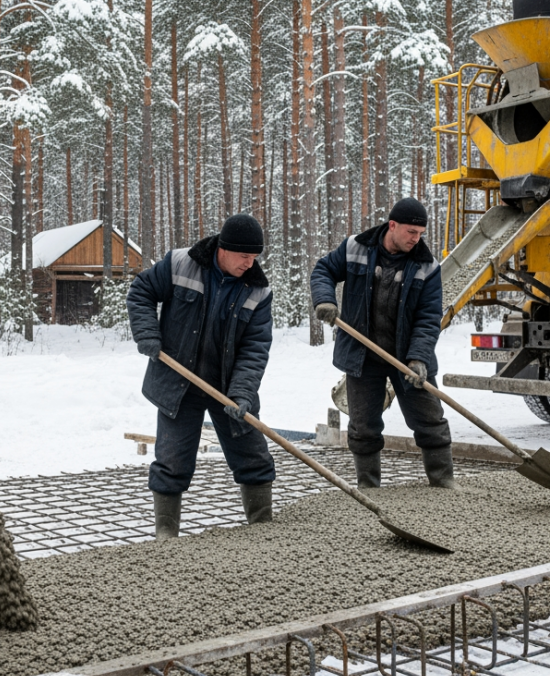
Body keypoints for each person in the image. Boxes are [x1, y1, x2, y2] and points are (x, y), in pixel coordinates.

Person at [127, 214, 277, 539]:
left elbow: (255, 349)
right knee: (172, 461)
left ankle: (263, 529)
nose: (249, 264)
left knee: (253, 456)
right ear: (223, 248)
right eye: (244, 256)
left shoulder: (258, 291)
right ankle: (166, 536)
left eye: (254, 257)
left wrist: (242, 394)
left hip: (228, 387)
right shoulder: (180, 264)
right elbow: (141, 291)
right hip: (178, 384)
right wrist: (147, 333)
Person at [309, 198, 457, 489]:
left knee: (430, 420)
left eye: (420, 233)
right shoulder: (355, 248)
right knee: (363, 426)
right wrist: (325, 300)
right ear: (392, 225)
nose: (416, 239)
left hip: (408, 358)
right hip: (363, 356)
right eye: (411, 232)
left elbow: (428, 317)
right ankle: (369, 487)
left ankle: (443, 483)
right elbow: (323, 270)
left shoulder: (427, 266)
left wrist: (418, 358)